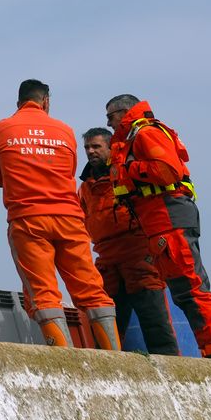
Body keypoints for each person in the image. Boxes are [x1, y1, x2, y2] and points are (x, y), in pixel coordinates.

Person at [0, 79, 120, 349]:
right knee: (91, 288)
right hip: (70, 218)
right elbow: (69, 170)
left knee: (43, 293)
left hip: (29, 218)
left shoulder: (2, 128)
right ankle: (115, 357)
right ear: (46, 101)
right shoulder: (65, 130)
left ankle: (62, 359)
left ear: (19, 102)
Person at [105, 95, 211, 359]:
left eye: (111, 116)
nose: (109, 123)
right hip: (160, 220)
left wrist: (128, 169)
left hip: (168, 216)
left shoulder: (145, 133)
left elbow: (167, 171)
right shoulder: (136, 136)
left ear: (124, 112)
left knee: (190, 286)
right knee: (184, 289)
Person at [78, 126, 179, 355]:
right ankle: (106, 365)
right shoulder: (84, 188)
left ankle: (169, 365)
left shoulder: (126, 174)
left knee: (154, 318)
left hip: (138, 253)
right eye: (87, 147)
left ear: (110, 148)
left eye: (96, 146)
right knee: (105, 320)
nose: (91, 151)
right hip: (106, 258)